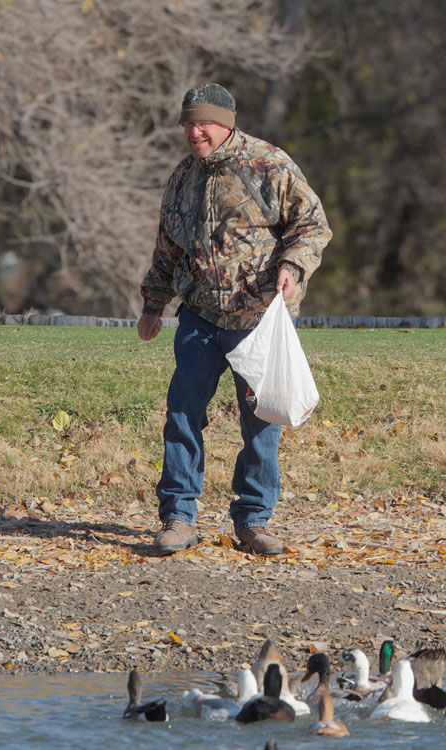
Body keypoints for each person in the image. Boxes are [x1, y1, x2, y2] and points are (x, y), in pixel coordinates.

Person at [137, 83, 332, 555]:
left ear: (227, 123)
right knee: (183, 415)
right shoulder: (183, 176)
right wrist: (152, 304)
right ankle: (179, 518)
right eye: (187, 124)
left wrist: (292, 267)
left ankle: (254, 520)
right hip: (199, 317)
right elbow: (167, 247)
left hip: (258, 320)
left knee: (260, 422)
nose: (194, 132)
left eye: (202, 123)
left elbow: (312, 225)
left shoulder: (269, 164)